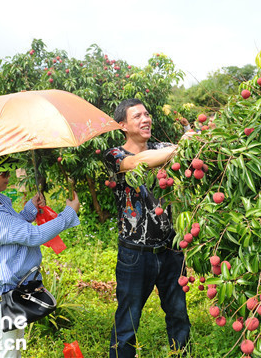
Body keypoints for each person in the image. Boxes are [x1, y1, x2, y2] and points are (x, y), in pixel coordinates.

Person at [0, 154, 80, 358]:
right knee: (5, 353)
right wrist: (68, 214)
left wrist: (29, 210)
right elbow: (33, 235)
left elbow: (11, 230)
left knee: (12, 350)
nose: (8, 175)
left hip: (10, 295)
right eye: (2, 172)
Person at [103, 98, 191, 358]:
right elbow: (140, 161)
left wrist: (189, 140)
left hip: (170, 250)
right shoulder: (114, 155)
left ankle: (181, 354)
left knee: (178, 314)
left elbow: (180, 152)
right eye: (137, 116)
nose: (145, 119)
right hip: (135, 254)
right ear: (122, 125)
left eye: (147, 114)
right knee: (128, 319)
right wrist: (182, 146)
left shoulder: (163, 147)